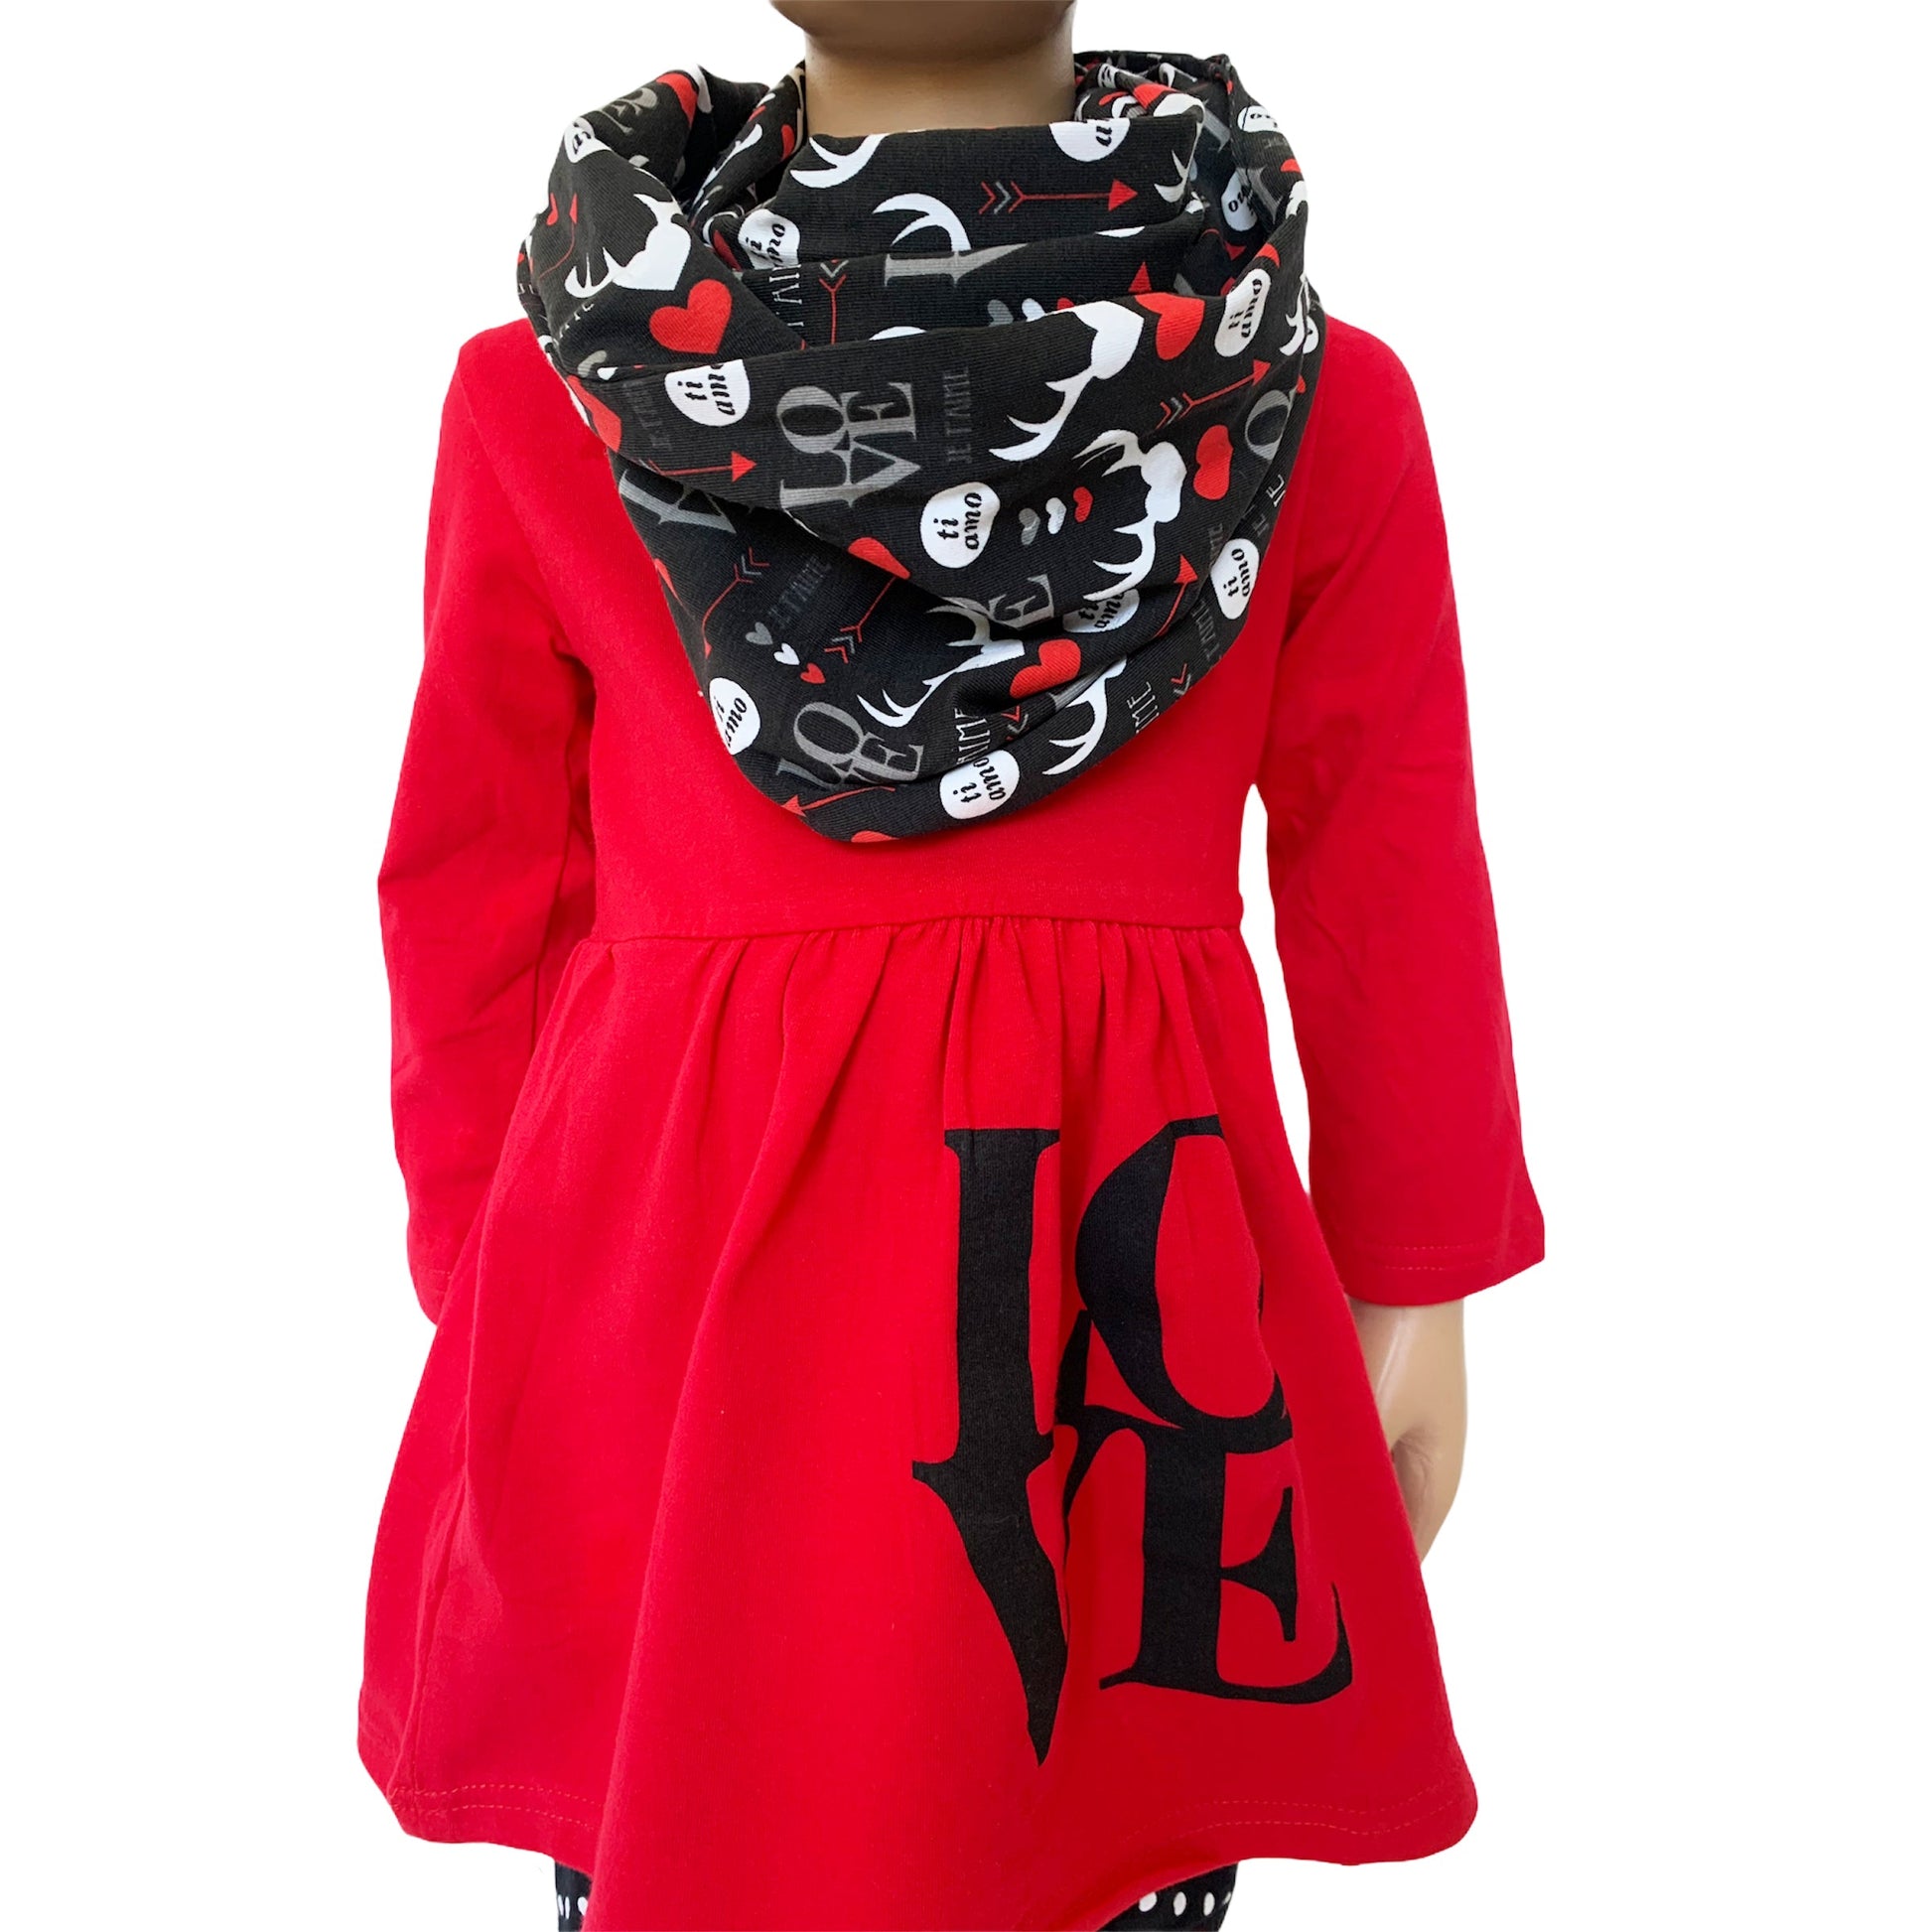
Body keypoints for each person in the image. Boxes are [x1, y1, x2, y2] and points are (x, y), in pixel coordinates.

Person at [358, 4, 1544, 1927]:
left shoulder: (1325, 404)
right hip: (957, 1281)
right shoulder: (538, 398)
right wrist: (1411, 1286)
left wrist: (1418, 1272)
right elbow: (476, 875)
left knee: (1032, 1811)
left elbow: (1388, 865)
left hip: (962, 1290)